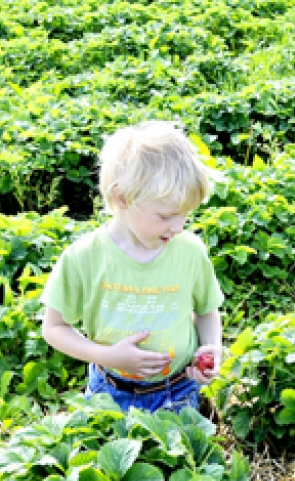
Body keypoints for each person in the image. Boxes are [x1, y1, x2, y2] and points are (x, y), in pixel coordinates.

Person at [41, 120, 224, 412]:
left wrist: (211, 347)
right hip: (111, 389)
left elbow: (206, 310)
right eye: (166, 216)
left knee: (183, 455)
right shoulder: (84, 257)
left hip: (177, 387)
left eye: (185, 215)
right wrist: (109, 356)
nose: (178, 226)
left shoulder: (189, 251)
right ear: (121, 198)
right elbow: (54, 328)